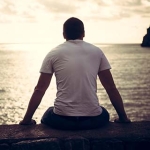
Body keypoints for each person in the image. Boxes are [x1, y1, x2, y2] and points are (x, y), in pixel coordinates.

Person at [19, 17, 131, 129]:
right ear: (83, 33)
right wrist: (123, 118)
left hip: (62, 120)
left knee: (49, 112)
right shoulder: (97, 52)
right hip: (92, 120)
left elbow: (40, 89)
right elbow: (111, 88)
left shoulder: (53, 53)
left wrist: (26, 120)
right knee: (103, 112)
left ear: (64, 34)